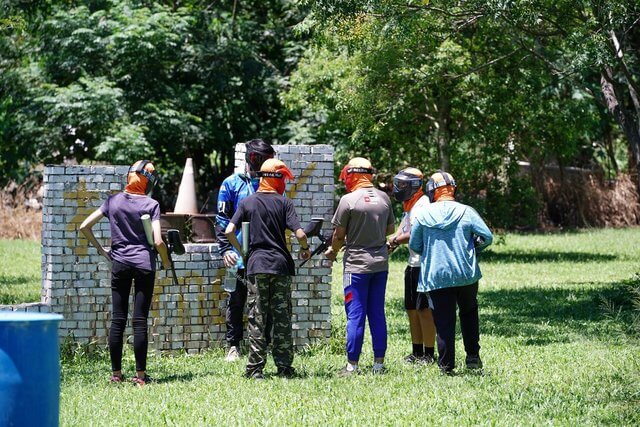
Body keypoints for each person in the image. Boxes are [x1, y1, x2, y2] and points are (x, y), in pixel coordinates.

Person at [79, 160, 171, 386]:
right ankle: (140, 377)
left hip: (119, 263)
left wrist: (102, 250)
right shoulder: (151, 205)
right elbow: (158, 241)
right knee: (139, 320)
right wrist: (167, 262)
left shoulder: (113, 201)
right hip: (144, 265)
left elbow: (84, 226)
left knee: (118, 320)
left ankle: (116, 374)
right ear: (147, 181)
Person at [224, 158, 310, 380]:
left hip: (256, 265)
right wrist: (305, 248)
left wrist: (242, 251)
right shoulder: (284, 203)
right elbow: (300, 233)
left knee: (257, 317)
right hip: (280, 266)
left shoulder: (248, 202)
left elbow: (229, 230)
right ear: (277, 179)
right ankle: (284, 368)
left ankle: (255, 369)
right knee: (281, 318)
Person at [409, 170, 493, 374]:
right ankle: (472, 357)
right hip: (466, 274)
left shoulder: (423, 214)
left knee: (444, 321)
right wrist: (474, 248)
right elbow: (487, 237)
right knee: (469, 313)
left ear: (432, 191)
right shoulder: (466, 211)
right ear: (453, 189)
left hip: (437, 276)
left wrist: (431, 250)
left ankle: (447, 366)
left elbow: (414, 244)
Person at [325, 157, 395, 375]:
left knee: (355, 315)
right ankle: (379, 364)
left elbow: (338, 235)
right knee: (377, 313)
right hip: (380, 265)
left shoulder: (348, 200)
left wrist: (333, 252)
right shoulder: (384, 198)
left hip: (356, 267)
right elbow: (390, 230)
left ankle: (352, 365)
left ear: (352, 174)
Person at [215, 138, 275, 362]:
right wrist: (225, 250)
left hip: (263, 255)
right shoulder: (231, 183)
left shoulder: (270, 183)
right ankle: (233, 345)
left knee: (264, 302)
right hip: (237, 256)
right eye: (261, 159)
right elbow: (221, 220)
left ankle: (262, 345)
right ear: (251, 159)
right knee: (235, 301)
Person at [387, 167, 437, 364]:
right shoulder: (411, 204)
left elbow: (416, 232)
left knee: (424, 311)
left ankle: (429, 353)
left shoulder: (423, 204)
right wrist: (393, 240)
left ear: (414, 186)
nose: (398, 187)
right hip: (412, 265)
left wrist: (396, 241)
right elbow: (404, 226)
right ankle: (416, 352)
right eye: (397, 183)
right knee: (411, 309)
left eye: (402, 185)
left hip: (423, 265)